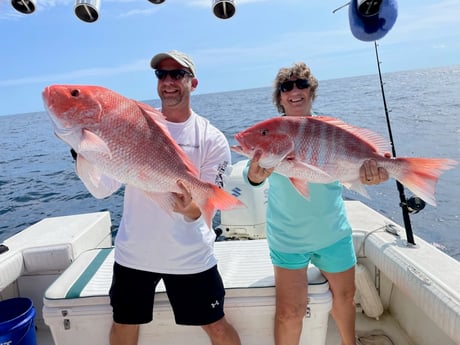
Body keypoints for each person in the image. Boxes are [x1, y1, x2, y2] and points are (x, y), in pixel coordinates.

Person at [243, 62, 389, 345]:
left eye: (302, 85)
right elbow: (254, 176)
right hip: (288, 238)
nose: (295, 91)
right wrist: (254, 173)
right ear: (280, 97)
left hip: (332, 233)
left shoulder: (330, 129)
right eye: (287, 87)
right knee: (289, 312)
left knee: (346, 298)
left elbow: (356, 172)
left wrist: (371, 175)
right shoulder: (271, 134)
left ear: (312, 91)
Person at [106, 50, 241, 345]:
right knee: (123, 326)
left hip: (190, 257)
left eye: (177, 74)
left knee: (217, 327)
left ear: (193, 83)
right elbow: (104, 186)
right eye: (161, 74)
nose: (168, 81)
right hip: (134, 254)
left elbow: (203, 210)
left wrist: (190, 207)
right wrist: (85, 151)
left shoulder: (211, 138)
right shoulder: (135, 125)